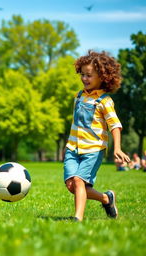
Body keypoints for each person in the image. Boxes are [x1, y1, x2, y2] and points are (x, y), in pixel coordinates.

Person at [63, 50, 130, 222]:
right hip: (73, 148)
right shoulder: (79, 96)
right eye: (83, 74)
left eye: (89, 75)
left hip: (93, 149)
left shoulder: (105, 101)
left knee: (79, 181)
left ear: (103, 77)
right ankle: (106, 199)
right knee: (72, 185)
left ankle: (77, 218)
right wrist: (70, 143)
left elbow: (114, 125)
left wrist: (117, 147)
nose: (85, 78)